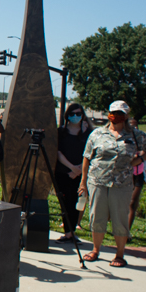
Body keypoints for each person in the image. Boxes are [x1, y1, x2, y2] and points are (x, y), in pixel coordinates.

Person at [79, 101, 146, 267]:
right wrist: (83, 182)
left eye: (120, 113)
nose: (116, 116)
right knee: (97, 216)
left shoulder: (136, 135)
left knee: (120, 218)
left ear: (126, 115)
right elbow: (87, 157)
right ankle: (96, 249)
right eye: (114, 112)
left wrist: (140, 159)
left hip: (122, 183)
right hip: (97, 181)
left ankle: (119, 254)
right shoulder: (97, 133)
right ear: (109, 113)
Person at [54, 103, 93, 242]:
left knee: (76, 202)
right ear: (67, 116)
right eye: (72, 114)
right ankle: (67, 232)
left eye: (78, 114)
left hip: (80, 174)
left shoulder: (88, 134)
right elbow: (58, 152)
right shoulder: (61, 132)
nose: (75, 116)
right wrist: (72, 168)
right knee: (64, 201)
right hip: (63, 172)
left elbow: (90, 154)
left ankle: (72, 231)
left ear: (82, 115)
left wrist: (78, 170)